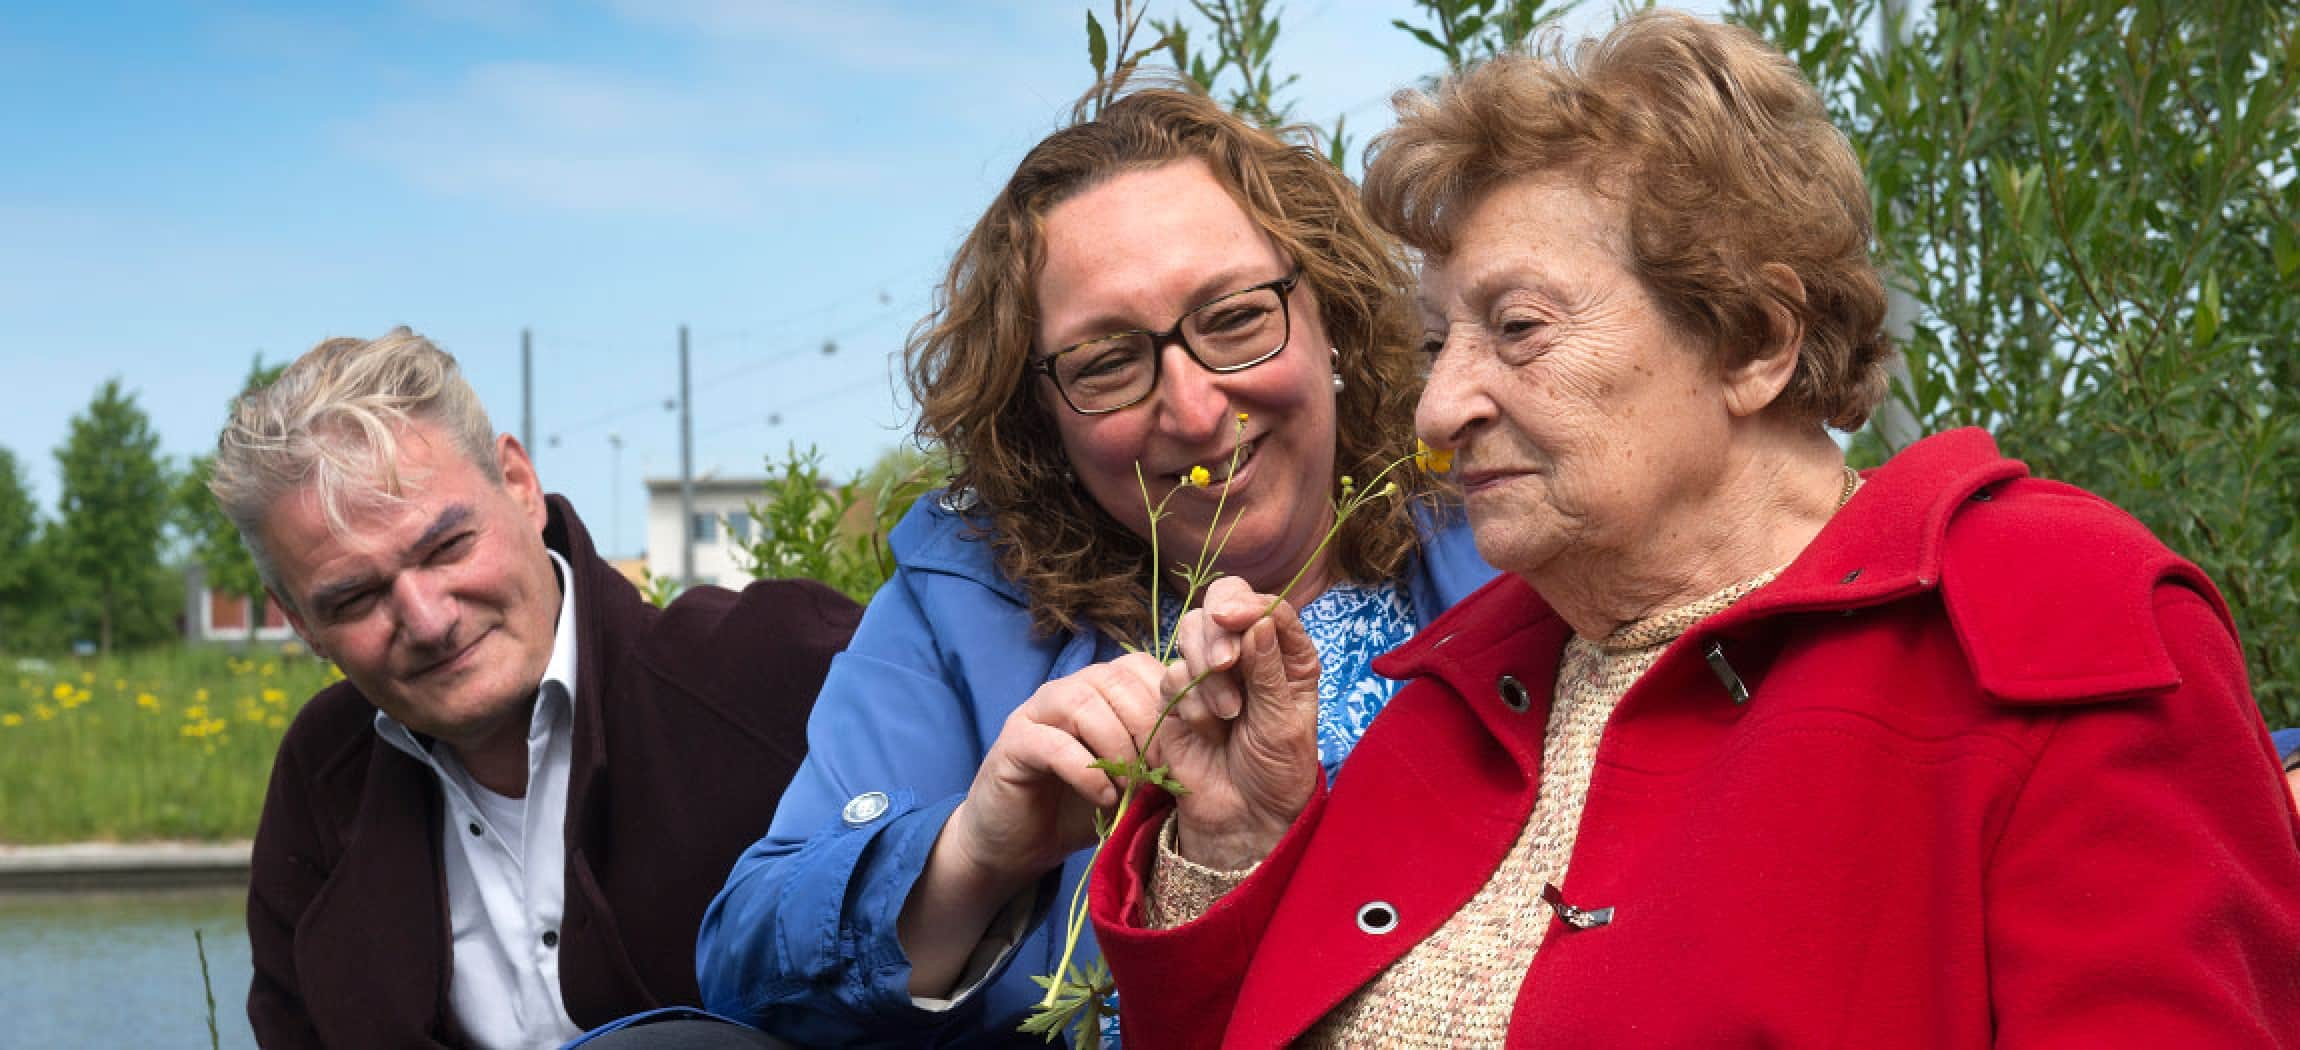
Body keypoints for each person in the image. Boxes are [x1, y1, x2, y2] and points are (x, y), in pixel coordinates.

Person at [1085, 12, 2300, 1047]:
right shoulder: (1450, 696)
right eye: (1432, 342)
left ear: (1755, 343)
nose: (1440, 407)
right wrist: (1236, 843)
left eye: (1515, 329)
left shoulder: (2053, 620)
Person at [695, 87, 1494, 1046]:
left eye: (1236, 318)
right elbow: (745, 965)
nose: (1197, 410)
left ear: (1332, 311)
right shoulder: (969, 601)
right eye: (1109, 363)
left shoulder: (1501, 525)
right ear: (1042, 417)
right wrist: (975, 853)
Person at [211, 329, 860, 1049]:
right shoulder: (321, 778)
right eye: (356, 597)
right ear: (299, 620)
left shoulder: (778, 670)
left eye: (448, 546)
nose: (427, 621)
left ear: (519, 486)